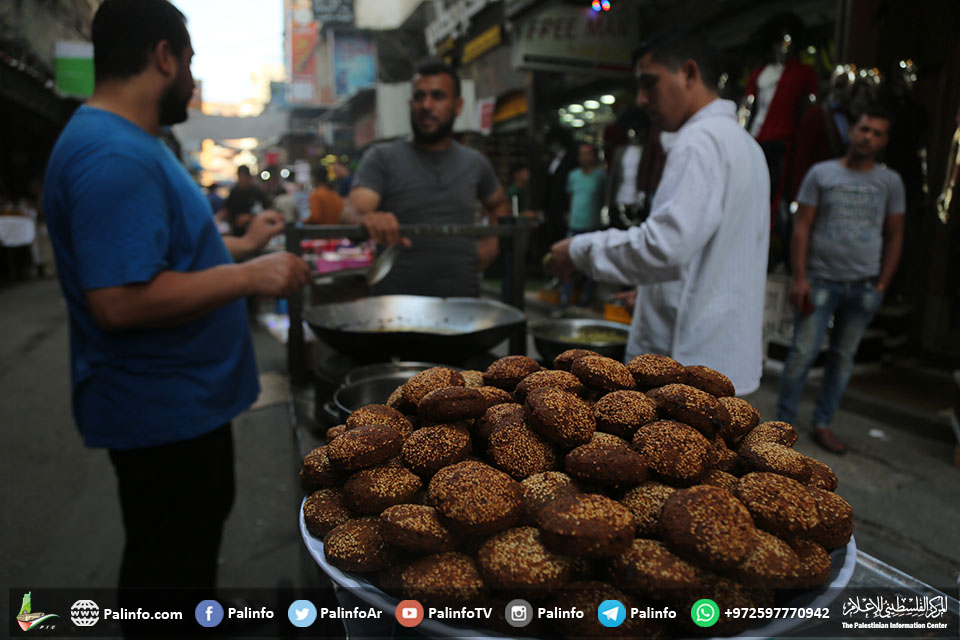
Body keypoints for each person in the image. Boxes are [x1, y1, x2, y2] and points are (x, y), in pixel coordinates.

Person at [41, 0, 311, 607]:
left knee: (187, 552)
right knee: (167, 565)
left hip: (181, 405)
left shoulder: (134, 143)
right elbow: (120, 299)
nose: (192, 80)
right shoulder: (113, 156)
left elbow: (156, 252)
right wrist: (251, 277)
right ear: (164, 57)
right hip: (160, 411)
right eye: (190, 62)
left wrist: (242, 245)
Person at [549, 25, 770, 394]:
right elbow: (708, 252)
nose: (641, 98)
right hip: (725, 357)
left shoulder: (699, 141)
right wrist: (652, 291)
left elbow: (665, 246)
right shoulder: (744, 144)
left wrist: (578, 250)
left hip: (690, 368)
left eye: (649, 83)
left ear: (689, 73)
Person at [776, 108, 905, 453]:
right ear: (852, 131)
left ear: (884, 141)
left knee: (843, 358)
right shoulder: (822, 173)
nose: (868, 137)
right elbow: (801, 226)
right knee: (802, 353)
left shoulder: (890, 182)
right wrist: (799, 276)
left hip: (863, 285)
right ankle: (782, 426)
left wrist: (882, 285)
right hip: (819, 280)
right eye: (864, 129)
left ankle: (822, 422)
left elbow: (895, 235)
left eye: (877, 133)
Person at [340, 59, 509, 297]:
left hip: (462, 303)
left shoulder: (475, 163)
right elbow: (350, 213)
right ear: (411, 104)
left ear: (458, 106)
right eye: (419, 97)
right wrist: (368, 219)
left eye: (438, 96)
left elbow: (499, 204)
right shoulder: (382, 158)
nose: (426, 105)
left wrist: (491, 247)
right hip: (396, 307)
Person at [561, 144, 608, 307]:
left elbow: (604, 200)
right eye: (581, 154)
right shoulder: (573, 176)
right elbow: (571, 198)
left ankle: (586, 299)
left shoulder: (601, 177)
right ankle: (565, 299)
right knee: (568, 262)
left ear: (594, 156)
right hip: (575, 225)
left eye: (587, 154)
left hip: (593, 226)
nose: (584, 157)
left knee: (590, 265)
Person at [221, 164, 269, 235]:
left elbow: (266, 213)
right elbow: (227, 209)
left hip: (254, 232)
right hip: (236, 231)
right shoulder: (234, 192)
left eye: (243, 176)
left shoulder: (257, 193)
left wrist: (249, 218)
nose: (241, 179)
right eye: (239, 176)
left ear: (249, 177)